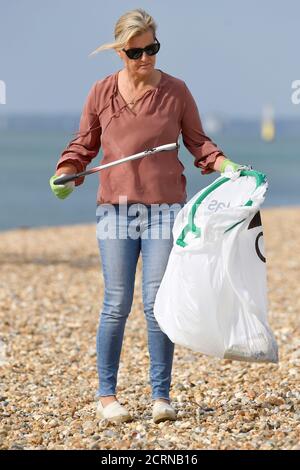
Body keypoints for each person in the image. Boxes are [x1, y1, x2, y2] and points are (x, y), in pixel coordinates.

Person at [49, 8, 242, 424]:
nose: (146, 58)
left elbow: (198, 143)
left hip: (164, 211)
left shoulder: (176, 91)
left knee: (157, 304)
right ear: (122, 52)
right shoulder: (101, 92)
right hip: (114, 212)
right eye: (137, 52)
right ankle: (107, 396)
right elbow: (83, 145)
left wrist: (228, 167)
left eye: (152, 48)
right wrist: (66, 172)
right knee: (116, 304)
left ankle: (161, 396)